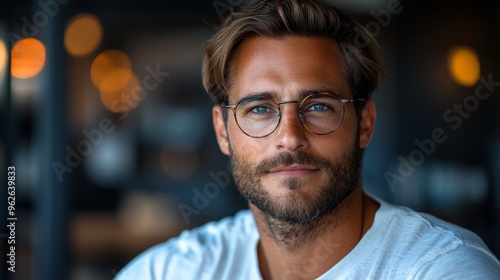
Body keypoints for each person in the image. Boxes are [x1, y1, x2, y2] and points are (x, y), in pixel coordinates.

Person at [116, 0, 500, 279]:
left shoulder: (441, 269)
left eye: (318, 106)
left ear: (364, 123)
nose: (290, 137)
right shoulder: (170, 271)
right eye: (260, 109)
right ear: (222, 131)